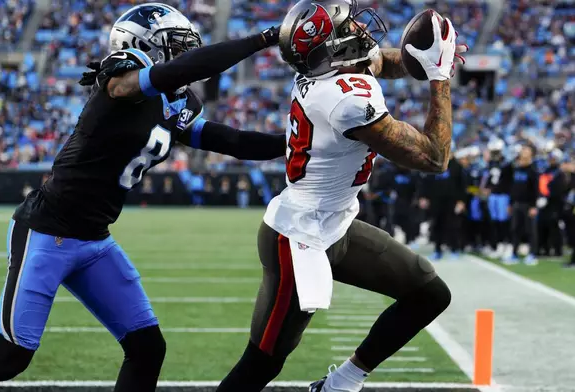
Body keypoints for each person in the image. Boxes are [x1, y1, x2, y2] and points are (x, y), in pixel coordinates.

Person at [0, 4, 284, 392]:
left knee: (147, 348)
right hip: (47, 232)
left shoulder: (175, 103)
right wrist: (264, 38)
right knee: (8, 357)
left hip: (94, 241)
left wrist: (297, 144)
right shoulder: (120, 80)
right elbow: (176, 72)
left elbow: (229, 140)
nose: (186, 58)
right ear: (143, 46)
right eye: (177, 48)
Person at [216, 1, 468, 391]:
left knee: (429, 294)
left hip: (336, 226)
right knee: (262, 363)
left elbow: (386, 62)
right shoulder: (344, 101)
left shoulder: (332, 71)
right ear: (331, 48)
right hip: (298, 238)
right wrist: (439, 75)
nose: (359, 27)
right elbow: (435, 157)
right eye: (347, 24)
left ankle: (341, 383)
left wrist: (427, 54)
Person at [506, 144, 539, 265]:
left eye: (526, 150)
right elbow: (513, 188)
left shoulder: (533, 170)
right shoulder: (516, 169)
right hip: (516, 204)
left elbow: (536, 190)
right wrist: (510, 203)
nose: (523, 152)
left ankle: (532, 254)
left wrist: (534, 206)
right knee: (515, 230)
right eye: (522, 150)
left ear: (531, 154)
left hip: (528, 205)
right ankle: (514, 254)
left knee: (530, 230)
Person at [481, 138, 513, 259]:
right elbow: (489, 178)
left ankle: (508, 245)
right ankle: (499, 245)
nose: (494, 153)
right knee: (495, 222)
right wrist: (487, 188)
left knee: (504, 221)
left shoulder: (507, 164)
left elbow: (508, 182)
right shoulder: (491, 163)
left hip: (503, 195)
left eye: (496, 151)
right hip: (493, 196)